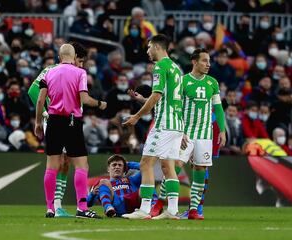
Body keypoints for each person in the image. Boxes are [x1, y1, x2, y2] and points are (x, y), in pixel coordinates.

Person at [34, 44, 107, 219]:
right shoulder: (80, 73)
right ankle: (82, 208)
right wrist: (99, 104)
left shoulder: (48, 72)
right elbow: (84, 99)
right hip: (72, 122)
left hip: (53, 121)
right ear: (74, 57)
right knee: (81, 165)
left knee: (52, 166)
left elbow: (39, 100)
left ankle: (50, 208)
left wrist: (38, 122)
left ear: (59, 57)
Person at [122, 34, 183, 219]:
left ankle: (144, 209)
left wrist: (137, 116)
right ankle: (172, 210)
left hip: (164, 123)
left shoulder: (160, 66)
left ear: (157, 47)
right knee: (168, 166)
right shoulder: (176, 68)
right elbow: (164, 98)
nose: (147, 51)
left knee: (146, 163)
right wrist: (143, 100)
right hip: (177, 123)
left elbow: (156, 95)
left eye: (149, 47)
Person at [28, 41, 87, 217]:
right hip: (58, 119)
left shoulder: (68, 72)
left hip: (66, 119)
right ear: (73, 56)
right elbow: (33, 91)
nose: (81, 64)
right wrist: (45, 113)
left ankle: (55, 205)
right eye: (80, 60)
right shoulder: (51, 70)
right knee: (60, 161)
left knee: (65, 162)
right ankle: (56, 205)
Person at [178, 48, 226, 219]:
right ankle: (163, 205)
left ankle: (195, 209)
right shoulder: (182, 81)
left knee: (201, 169)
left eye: (209, 61)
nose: (208, 64)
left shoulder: (212, 82)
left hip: (205, 134)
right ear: (194, 61)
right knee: (174, 167)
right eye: (205, 60)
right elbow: (175, 107)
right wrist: (178, 129)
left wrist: (222, 130)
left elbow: (218, 108)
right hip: (185, 133)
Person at [86, 154, 161, 217]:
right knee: (103, 181)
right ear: (108, 169)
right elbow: (87, 203)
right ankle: (108, 208)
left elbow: (145, 169)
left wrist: (129, 164)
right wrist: (92, 194)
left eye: (120, 165)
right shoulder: (104, 185)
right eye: (114, 165)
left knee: (146, 181)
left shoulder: (132, 180)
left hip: (133, 204)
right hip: (117, 205)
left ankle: (153, 207)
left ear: (124, 169)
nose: (117, 167)